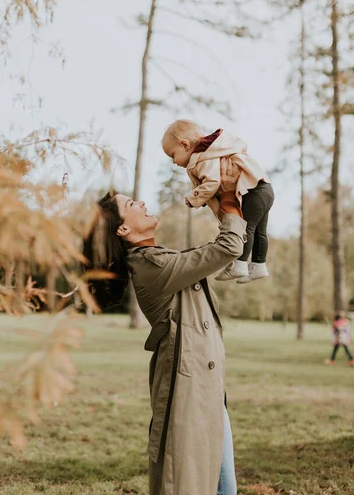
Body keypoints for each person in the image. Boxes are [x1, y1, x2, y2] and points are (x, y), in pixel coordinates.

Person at [83, 158, 245, 495]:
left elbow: (214, 252)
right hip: (191, 389)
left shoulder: (158, 258)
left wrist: (220, 199)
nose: (141, 203)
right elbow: (228, 247)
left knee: (221, 485)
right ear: (123, 230)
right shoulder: (150, 266)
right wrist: (227, 198)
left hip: (205, 386)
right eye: (131, 204)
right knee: (203, 484)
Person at [161, 119, 274, 284]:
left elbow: (212, 182)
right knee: (259, 231)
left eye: (173, 155)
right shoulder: (216, 151)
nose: (173, 161)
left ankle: (240, 264)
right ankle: (259, 264)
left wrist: (194, 198)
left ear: (185, 145)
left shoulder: (205, 158)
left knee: (246, 228)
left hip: (254, 189)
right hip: (264, 186)